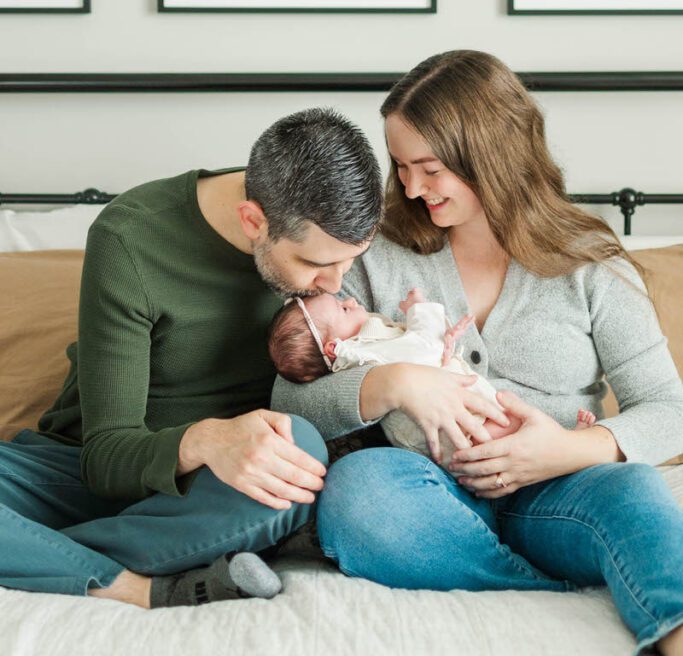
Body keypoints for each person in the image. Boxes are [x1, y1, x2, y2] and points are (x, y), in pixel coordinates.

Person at [273, 51, 683, 656]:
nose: (411, 188)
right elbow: (289, 397)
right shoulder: (372, 256)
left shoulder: (590, 263)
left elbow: (669, 408)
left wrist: (566, 450)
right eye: (401, 167)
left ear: (490, 153)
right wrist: (394, 385)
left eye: (429, 168)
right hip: (427, 490)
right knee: (357, 491)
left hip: (561, 492)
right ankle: (537, 584)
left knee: (637, 494)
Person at [0, 108, 383, 609]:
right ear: (253, 220)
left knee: (299, 452)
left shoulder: (331, 228)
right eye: (315, 264)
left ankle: (39, 553)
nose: (336, 285)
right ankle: (137, 587)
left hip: (215, 493)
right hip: (77, 472)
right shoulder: (131, 239)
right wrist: (202, 439)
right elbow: (105, 457)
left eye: (349, 261)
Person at [268, 287, 599, 461]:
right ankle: (564, 440)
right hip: (452, 436)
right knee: (503, 427)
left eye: (430, 169)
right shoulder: (369, 350)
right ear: (332, 347)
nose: (350, 299)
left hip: (451, 435)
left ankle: (565, 445)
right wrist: (418, 310)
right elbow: (422, 345)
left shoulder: (368, 343)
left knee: (628, 487)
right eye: (342, 307)